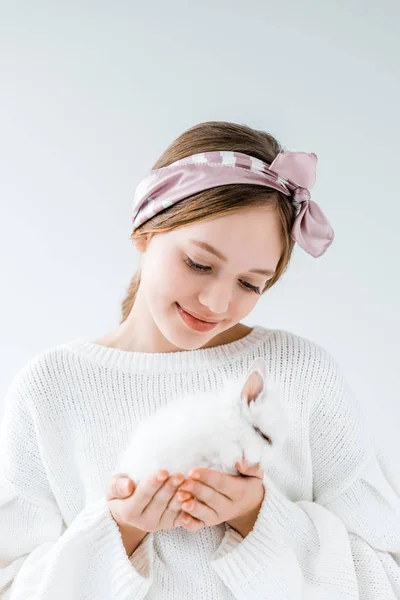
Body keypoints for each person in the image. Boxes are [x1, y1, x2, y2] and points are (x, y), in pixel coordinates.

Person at [0, 120, 399, 599]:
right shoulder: (51, 387)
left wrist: (258, 516)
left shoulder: (301, 373)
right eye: (199, 264)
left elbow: (385, 575)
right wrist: (120, 530)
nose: (216, 302)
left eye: (251, 283)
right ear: (146, 231)